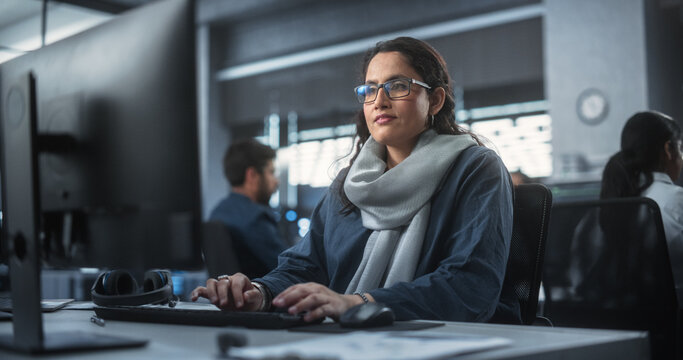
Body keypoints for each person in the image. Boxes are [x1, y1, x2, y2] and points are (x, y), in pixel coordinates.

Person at [193, 37, 518, 324]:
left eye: (398, 86)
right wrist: (260, 293)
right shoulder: (349, 184)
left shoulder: (475, 168)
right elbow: (305, 267)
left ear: (434, 100)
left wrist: (358, 303)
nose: (379, 100)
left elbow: (470, 286)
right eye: (370, 89)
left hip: (452, 341)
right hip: (354, 339)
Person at [600, 110, 683, 281]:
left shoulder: (607, 205)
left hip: (624, 305)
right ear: (669, 149)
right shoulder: (676, 199)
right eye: (681, 148)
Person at [208, 139, 289, 279]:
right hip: (264, 298)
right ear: (252, 175)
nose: (277, 181)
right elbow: (291, 269)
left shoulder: (217, 212)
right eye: (271, 172)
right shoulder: (255, 219)